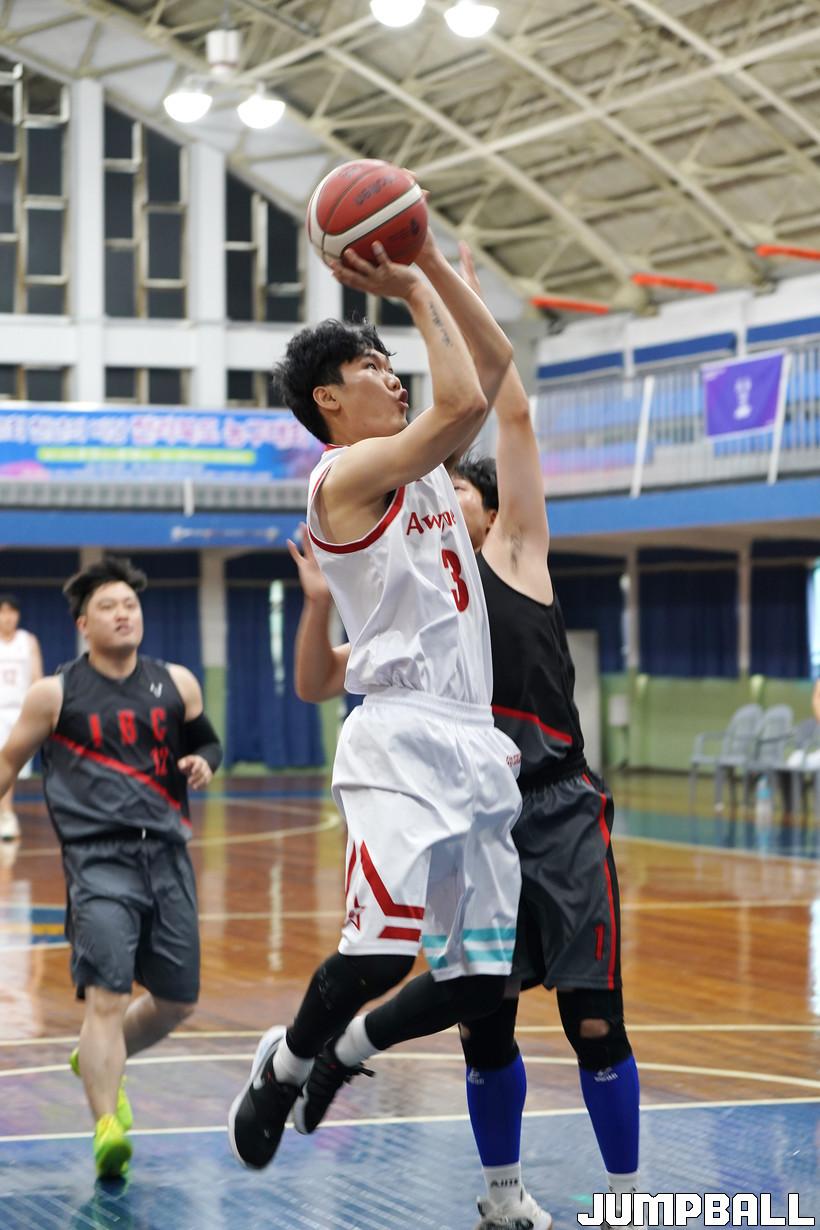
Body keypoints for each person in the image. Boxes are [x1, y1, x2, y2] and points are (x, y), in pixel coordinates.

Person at [289, 237, 641, 1230]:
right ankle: (501, 1196)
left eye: (459, 492)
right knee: (484, 1025)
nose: (443, 501)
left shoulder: (517, 555)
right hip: (468, 807)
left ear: (478, 508)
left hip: (556, 807)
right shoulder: (412, 600)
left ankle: (626, 1202)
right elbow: (323, 679)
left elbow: (502, 407)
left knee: (595, 1021)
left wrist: (447, 292)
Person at [227, 237, 526, 1181]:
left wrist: (439, 277)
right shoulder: (340, 478)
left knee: (482, 982)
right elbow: (463, 401)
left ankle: (345, 1054)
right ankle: (283, 1066)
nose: (394, 378)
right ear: (328, 398)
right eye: (372, 368)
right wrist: (412, 283)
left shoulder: (426, 467)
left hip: (474, 737)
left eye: (395, 366)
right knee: (379, 956)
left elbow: (490, 372)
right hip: (399, 737)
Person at [0, 556, 222, 1178]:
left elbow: (206, 740)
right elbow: (9, 761)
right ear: (83, 624)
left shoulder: (176, 683)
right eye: (108, 606)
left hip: (168, 856)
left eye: (130, 604)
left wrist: (205, 762)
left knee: (177, 1001)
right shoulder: (55, 694)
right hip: (97, 861)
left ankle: (97, 1057)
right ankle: (106, 1127)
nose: (123, 614)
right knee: (107, 995)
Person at [0, 593, 43, 840]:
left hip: (19, 712)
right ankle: (6, 813)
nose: (7, 617)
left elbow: (36, 678)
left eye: (12, 612)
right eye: (3, 612)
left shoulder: (28, 641)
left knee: (12, 766)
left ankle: (6, 813)